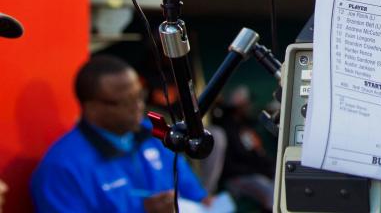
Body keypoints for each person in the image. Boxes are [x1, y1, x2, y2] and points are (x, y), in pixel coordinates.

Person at [31, 55, 208, 212]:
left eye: (139, 95)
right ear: (92, 107)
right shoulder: (61, 168)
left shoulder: (156, 135)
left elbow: (194, 194)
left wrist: (207, 203)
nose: (138, 105)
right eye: (125, 101)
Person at [215, 86, 275, 211]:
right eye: (246, 104)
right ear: (238, 107)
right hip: (237, 177)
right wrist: (260, 170)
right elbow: (234, 163)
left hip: (255, 172)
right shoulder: (226, 128)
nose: (249, 106)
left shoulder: (247, 125)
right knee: (271, 193)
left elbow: (258, 155)